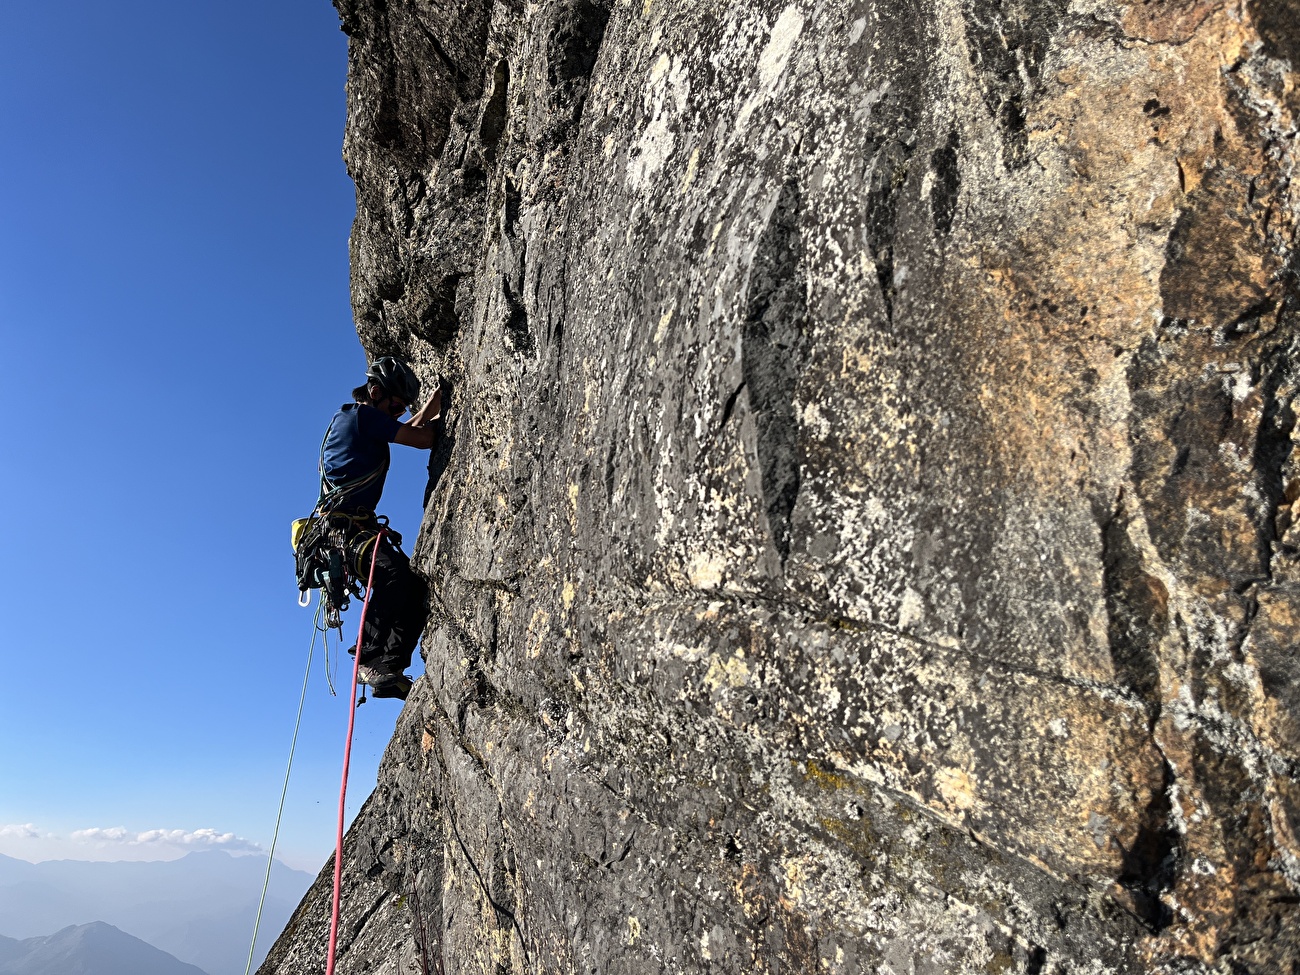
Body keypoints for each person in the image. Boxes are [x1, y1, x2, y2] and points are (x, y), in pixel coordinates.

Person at [318, 356, 441, 700]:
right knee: (393, 577)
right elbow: (422, 439)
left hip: (350, 529)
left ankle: (389, 668)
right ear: (375, 392)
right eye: (396, 406)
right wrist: (443, 416)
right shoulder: (362, 416)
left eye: (402, 409)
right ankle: (368, 659)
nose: (398, 414)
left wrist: (431, 407)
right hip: (344, 530)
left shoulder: (360, 421)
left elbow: (409, 431)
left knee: (413, 586)